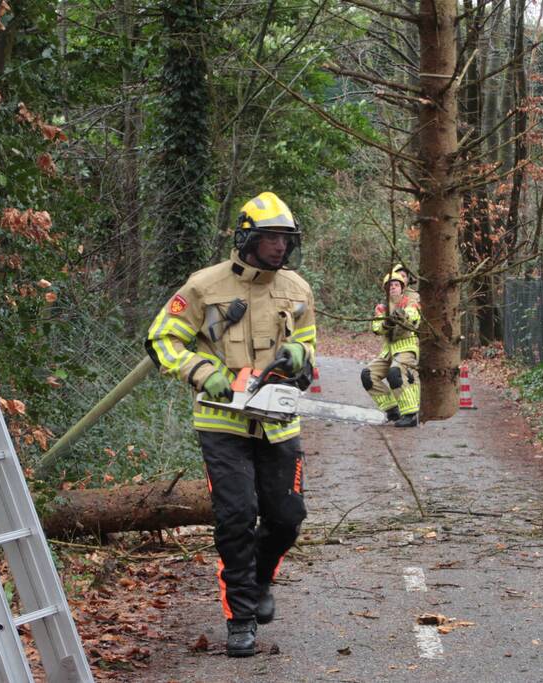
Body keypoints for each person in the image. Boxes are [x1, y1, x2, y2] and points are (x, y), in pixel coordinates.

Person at [146, 191, 316, 657]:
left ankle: (261, 579)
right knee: (236, 517)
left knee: (286, 518)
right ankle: (240, 619)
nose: (280, 247)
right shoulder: (205, 286)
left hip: (278, 422)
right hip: (222, 424)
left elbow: (307, 342)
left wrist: (300, 356)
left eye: (286, 239)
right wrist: (206, 373)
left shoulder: (297, 289)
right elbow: (163, 339)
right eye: (272, 238)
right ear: (248, 237)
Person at [361, 271, 421, 428]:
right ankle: (392, 410)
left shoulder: (410, 301)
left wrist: (401, 316)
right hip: (388, 351)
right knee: (367, 375)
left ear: (402, 288)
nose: (393, 288)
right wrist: (386, 324)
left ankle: (410, 414)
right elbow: (376, 327)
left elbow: (414, 316)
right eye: (390, 286)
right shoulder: (382, 307)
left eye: (396, 285)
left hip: (407, 346)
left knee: (395, 373)